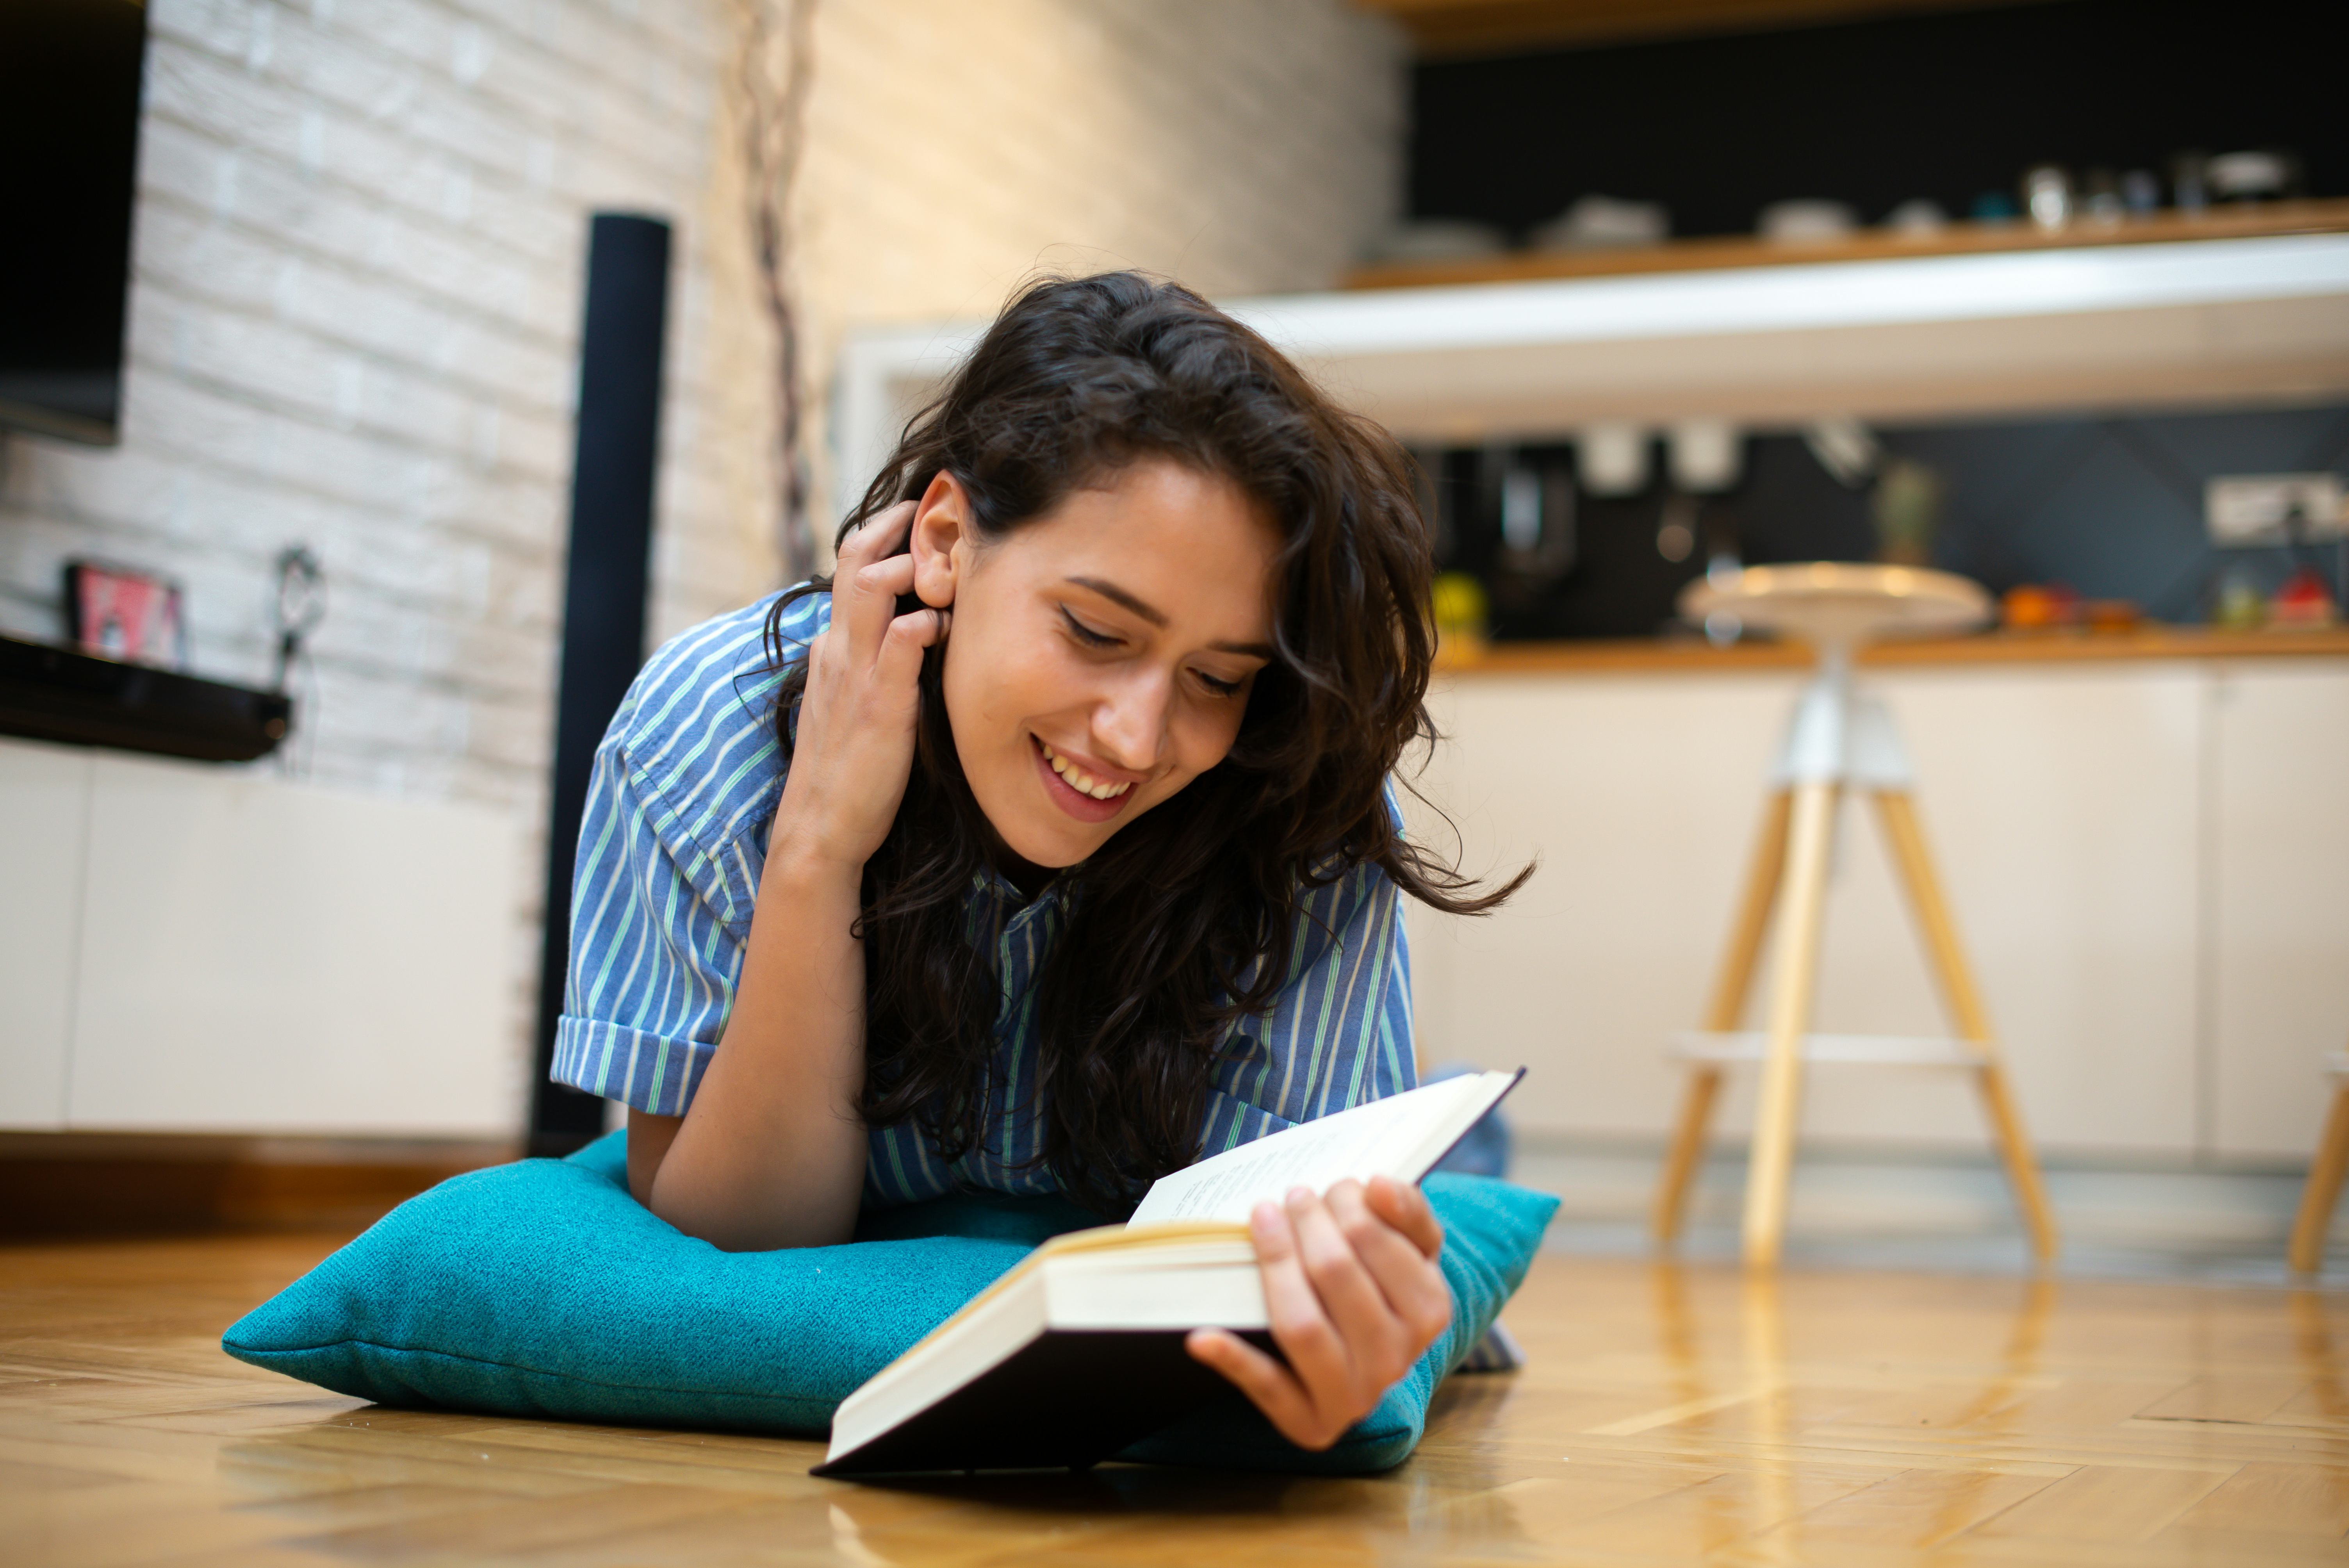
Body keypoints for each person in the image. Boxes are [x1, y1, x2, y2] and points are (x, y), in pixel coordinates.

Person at [551, 271, 1526, 1452]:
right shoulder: (708, 730)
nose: (1135, 736)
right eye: (1096, 633)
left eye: (1216, 678)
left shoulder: (1297, 790)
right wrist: (818, 842)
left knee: (1453, 1172)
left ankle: (1466, 1131)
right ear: (949, 540)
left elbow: (1269, 1261)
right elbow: (741, 1240)